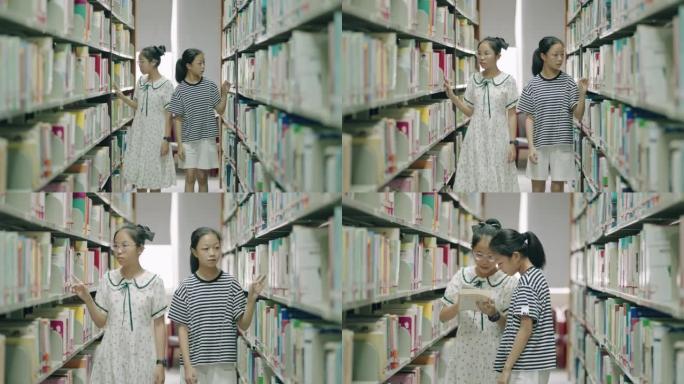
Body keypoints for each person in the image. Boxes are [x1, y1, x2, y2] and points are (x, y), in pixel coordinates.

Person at [71, 224, 167, 384]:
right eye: (115, 245)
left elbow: (159, 325)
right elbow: (101, 322)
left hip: (142, 354)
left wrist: (160, 363)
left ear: (140, 249)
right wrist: (88, 298)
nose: (118, 251)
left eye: (124, 245)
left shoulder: (154, 282)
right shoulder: (107, 280)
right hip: (111, 355)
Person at [168, 227, 266, 384]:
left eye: (216, 247)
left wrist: (252, 300)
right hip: (194, 365)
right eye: (206, 249)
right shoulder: (185, 287)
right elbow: (182, 330)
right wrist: (187, 366)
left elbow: (243, 324)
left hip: (224, 367)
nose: (212, 253)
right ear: (194, 252)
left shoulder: (232, 284)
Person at [438, 219, 518, 383]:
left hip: (495, 358)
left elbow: (513, 329)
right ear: (472, 250)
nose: (484, 261)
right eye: (479, 254)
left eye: (491, 256)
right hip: (464, 357)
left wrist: (494, 314)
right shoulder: (461, 276)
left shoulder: (509, 281)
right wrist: (459, 305)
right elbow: (442, 316)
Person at [445, 36, 520, 192]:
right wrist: (452, 97)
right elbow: (470, 111)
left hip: (499, 135)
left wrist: (512, 143)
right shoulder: (473, 79)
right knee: (476, 174)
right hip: (476, 136)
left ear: (498, 56)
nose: (482, 57)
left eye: (486, 53)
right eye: (479, 53)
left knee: (497, 173)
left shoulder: (508, 81)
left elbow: (512, 115)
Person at [517, 36, 588, 192]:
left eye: (562, 55)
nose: (560, 59)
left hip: (562, 145)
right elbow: (529, 118)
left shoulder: (569, 82)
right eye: (555, 55)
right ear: (543, 56)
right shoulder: (532, 85)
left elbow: (578, 116)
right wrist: (531, 147)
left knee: (558, 189)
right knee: (537, 189)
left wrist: (581, 94)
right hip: (539, 145)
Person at [489, 229, 556, 384]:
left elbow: (525, 329)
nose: (499, 268)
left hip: (526, 366)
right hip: (535, 363)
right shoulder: (537, 276)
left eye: (500, 263)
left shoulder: (527, 284)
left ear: (516, 256)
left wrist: (506, 369)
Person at [168, 49, 230, 192]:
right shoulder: (179, 90)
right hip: (188, 140)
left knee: (202, 177)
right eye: (199, 63)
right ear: (189, 66)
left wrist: (224, 94)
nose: (203, 66)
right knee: (190, 177)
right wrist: (180, 145)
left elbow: (220, 110)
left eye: (204, 63)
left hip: (206, 139)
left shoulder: (210, 86)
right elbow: (177, 118)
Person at [116, 45, 176, 192]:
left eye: (142, 62)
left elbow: (169, 116)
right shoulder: (141, 81)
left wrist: (166, 140)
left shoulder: (166, 85)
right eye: (138, 62)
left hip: (156, 135)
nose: (139, 65)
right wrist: (122, 97)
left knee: (155, 179)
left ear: (153, 62)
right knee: (139, 180)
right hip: (139, 134)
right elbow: (138, 105)